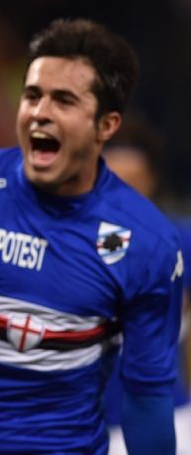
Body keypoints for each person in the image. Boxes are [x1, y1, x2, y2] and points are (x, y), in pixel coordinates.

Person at [0, 18, 184, 454]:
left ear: (106, 125)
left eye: (63, 100)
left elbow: (147, 397)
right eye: (32, 95)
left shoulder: (148, 243)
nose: (39, 112)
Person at [101, 121, 191, 455]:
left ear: (151, 180)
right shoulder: (69, 246)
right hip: (88, 423)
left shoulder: (180, 241)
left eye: (133, 184)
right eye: (113, 183)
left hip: (167, 418)